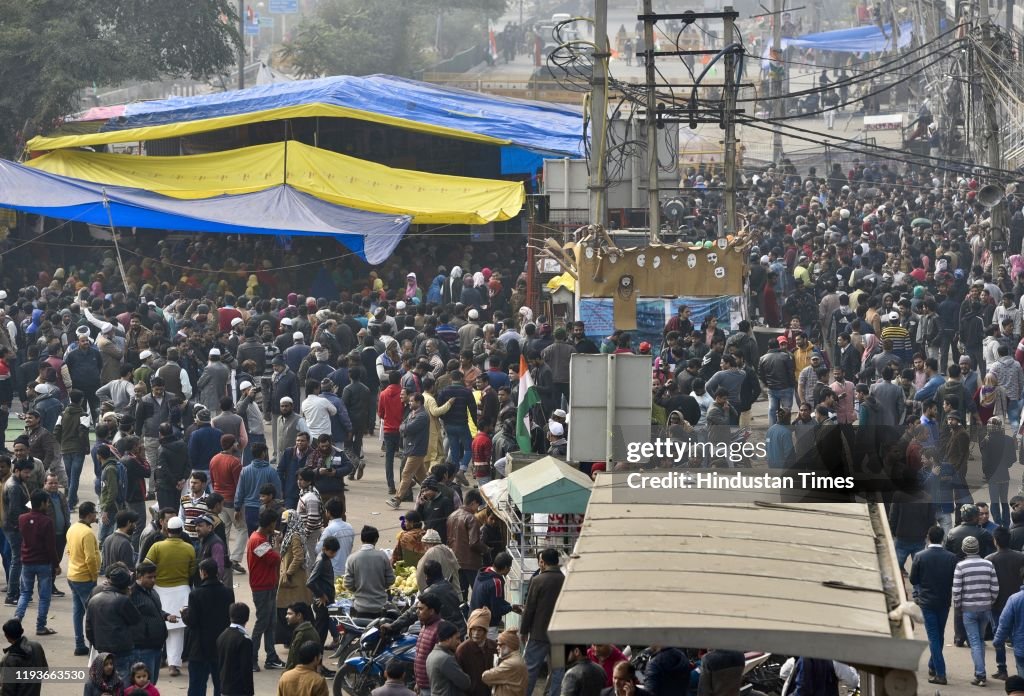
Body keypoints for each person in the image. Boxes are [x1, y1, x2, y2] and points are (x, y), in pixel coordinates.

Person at [143, 516, 195, 677]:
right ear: (181, 531)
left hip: (159, 591)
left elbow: (146, 566)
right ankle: (173, 665)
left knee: (158, 628)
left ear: (167, 530)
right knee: (177, 633)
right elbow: (192, 571)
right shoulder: (189, 548)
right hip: (181, 592)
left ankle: (158, 661)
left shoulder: (157, 547)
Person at [954, 535, 1001, 687]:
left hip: (968, 609)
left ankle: (980, 674)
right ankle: (980, 672)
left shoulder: (961, 566)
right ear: (978, 549)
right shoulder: (988, 564)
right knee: (980, 640)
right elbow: (995, 588)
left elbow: (956, 591)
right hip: (985, 609)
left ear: (963, 550)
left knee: (974, 641)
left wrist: (959, 606)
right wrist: (989, 602)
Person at [183, 558, 233, 696]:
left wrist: (184, 614)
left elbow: (192, 621)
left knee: (197, 685)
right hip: (220, 644)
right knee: (220, 684)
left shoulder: (195, 594)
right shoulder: (228, 592)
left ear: (203, 573)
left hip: (199, 646)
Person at [85, 563, 143, 680]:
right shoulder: (122, 600)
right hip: (122, 649)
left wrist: (96, 644)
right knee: (123, 682)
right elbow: (136, 620)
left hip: (102, 648)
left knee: (105, 680)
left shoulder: (94, 599)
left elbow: (89, 628)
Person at [246, 508, 286, 671]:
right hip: (262, 587)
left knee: (271, 622)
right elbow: (275, 559)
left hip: (268, 585)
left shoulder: (260, 538)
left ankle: (271, 657)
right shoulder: (258, 541)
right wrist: (277, 544)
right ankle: (252, 658)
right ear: (270, 524)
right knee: (262, 623)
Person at [522, 547, 565, 696]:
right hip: (559, 635)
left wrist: (523, 631)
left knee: (530, 670)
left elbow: (529, 609)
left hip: (538, 633)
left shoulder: (538, 580)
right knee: (558, 670)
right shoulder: (565, 580)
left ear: (542, 562)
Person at [15, 490, 57, 636]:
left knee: (25, 592)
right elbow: (51, 546)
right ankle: (40, 626)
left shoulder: (22, 518)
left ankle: (17, 619)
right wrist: (56, 564)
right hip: (43, 563)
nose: (48, 504)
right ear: (42, 503)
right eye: (47, 502)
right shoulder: (47, 522)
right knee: (44, 596)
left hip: (26, 561)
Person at [130, 560, 175, 686]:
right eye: (149, 577)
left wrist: (166, 616)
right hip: (143, 648)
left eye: (155, 577)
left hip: (156, 647)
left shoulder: (152, 592)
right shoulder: (132, 593)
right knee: (143, 685)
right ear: (139, 576)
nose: (153, 580)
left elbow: (156, 610)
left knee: (151, 684)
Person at [988, 526, 1024, 680]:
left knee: (999, 634)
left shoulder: (990, 559)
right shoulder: (1020, 557)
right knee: (1018, 634)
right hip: (1018, 602)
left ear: (995, 541)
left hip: (997, 604)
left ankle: (1002, 668)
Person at [66, 501, 100, 656]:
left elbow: (69, 551)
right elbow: (90, 559)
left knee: (77, 612)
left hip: (72, 575)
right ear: (89, 515)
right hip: (84, 578)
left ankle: (80, 643)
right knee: (92, 613)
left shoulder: (73, 528)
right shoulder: (87, 533)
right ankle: (95, 645)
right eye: (95, 512)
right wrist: (94, 577)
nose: (96, 515)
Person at [209, 433, 247, 574]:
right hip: (232, 500)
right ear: (232, 445)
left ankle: (225, 558)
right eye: (236, 443)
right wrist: (238, 506)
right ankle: (235, 559)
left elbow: (212, 481)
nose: (237, 445)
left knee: (224, 530)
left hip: (219, 501)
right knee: (242, 529)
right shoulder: (235, 462)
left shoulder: (214, 459)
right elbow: (239, 486)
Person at [344, 525, 395, 618]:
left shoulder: (352, 558)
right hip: (380, 606)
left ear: (361, 539)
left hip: (360, 607)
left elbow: (347, 583)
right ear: (376, 540)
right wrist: (381, 586)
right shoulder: (382, 556)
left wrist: (358, 590)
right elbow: (391, 579)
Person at [3, 458, 33, 607]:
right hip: (14, 528)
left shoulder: (20, 483)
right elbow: (15, 511)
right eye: (26, 472)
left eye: (29, 472)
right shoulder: (14, 486)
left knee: (18, 560)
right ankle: (11, 595)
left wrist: (31, 509)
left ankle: (18, 591)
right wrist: (23, 525)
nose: (28, 475)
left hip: (14, 526)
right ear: (17, 471)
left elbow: (26, 501)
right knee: (17, 560)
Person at [235, 441, 282, 534]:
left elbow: (240, 491)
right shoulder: (271, 471)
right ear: (263, 453)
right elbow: (278, 491)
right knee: (267, 538)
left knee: (253, 537)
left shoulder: (245, 471)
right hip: (268, 509)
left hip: (249, 509)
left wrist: (237, 507)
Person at [448, 489, 487, 598]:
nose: (477, 510)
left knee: (461, 594)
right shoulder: (471, 518)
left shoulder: (451, 516)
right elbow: (474, 542)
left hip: (455, 561)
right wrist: (486, 549)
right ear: (473, 503)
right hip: (471, 563)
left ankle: (463, 613)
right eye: (477, 506)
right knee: (478, 595)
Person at [0, 618, 48, 696]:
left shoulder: (9, 659)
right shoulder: (36, 646)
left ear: (6, 636)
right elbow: (45, 672)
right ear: (22, 631)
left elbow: (7, 691)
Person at [307, 536, 340, 647]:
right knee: (320, 635)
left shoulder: (326, 558)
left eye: (335, 552)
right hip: (322, 603)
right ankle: (317, 661)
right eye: (331, 552)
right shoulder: (321, 561)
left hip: (327, 601)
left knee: (322, 632)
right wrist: (321, 595)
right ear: (324, 549)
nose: (333, 555)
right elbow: (310, 582)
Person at [456, 607, 497, 696]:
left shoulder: (494, 647)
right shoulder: (462, 650)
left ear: (485, 631)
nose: (476, 633)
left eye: (479, 630)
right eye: (473, 629)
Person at [217, 603, 254, 696]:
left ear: (230, 617)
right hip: (238, 689)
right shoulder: (244, 640)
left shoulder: (222, 635)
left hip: (224, 687)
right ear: (247, 619)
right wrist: (250, 691)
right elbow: (246, 669)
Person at [427, 620, 472, 695]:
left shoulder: (432, 655)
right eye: (457, 638)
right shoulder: (445, 659)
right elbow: (465, 683)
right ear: (448, 639)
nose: (459, 642)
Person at [481, 628, 528, 696]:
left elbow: (485, 677)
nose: (497, 648)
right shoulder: (517, 658)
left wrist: (496, 665)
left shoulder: (510, 663)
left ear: (509, 645)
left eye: (500, 645)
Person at [284, 602, 321, 672]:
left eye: (290, 614)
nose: (286, 616)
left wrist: (285, 674)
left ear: (299, 615)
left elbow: (294, 660)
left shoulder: (302, 634)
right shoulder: (309, 629)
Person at [101, 509, 138, 576]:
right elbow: (130, 570)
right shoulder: (125, 543)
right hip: (122, 583)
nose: (135, 526)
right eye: (134, 523)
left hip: (111, 580)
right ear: (129, 523)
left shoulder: (107, 539)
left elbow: (104, 565)